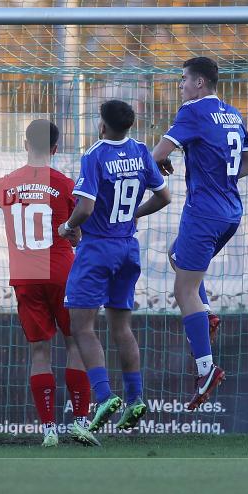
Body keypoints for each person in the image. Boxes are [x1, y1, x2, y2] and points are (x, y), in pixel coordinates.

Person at [0, 119, 98, 447]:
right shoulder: (65, 184)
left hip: (25, 275)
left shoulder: (7, 184)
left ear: (25, 145)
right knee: (75, 343)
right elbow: (79, 228)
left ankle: (49, 430)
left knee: (39, 351)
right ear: (55, 148)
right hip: (62, 273)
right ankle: (80, 421)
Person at [58, 99, 171, 435]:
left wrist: (67, 226)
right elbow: (164, 198)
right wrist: (133, 214)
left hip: (97, 249)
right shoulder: (140, 151)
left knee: (82, 327)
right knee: (121, 327)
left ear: (102, 124)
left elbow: (86, 207)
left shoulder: (95, 154)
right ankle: (135, 399)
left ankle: (105, 396)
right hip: (128, 247)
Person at [151, 56, 248, 410]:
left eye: (183, 79)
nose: (180, 85)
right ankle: (207, 314)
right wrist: (221, 180)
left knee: (183, 289)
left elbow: (158, 155)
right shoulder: (233, 113)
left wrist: (161, 162)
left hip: (204, 214)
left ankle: (206, 369)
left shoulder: (192, 110)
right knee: (177, 255)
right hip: (230, 212)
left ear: (199, 83)